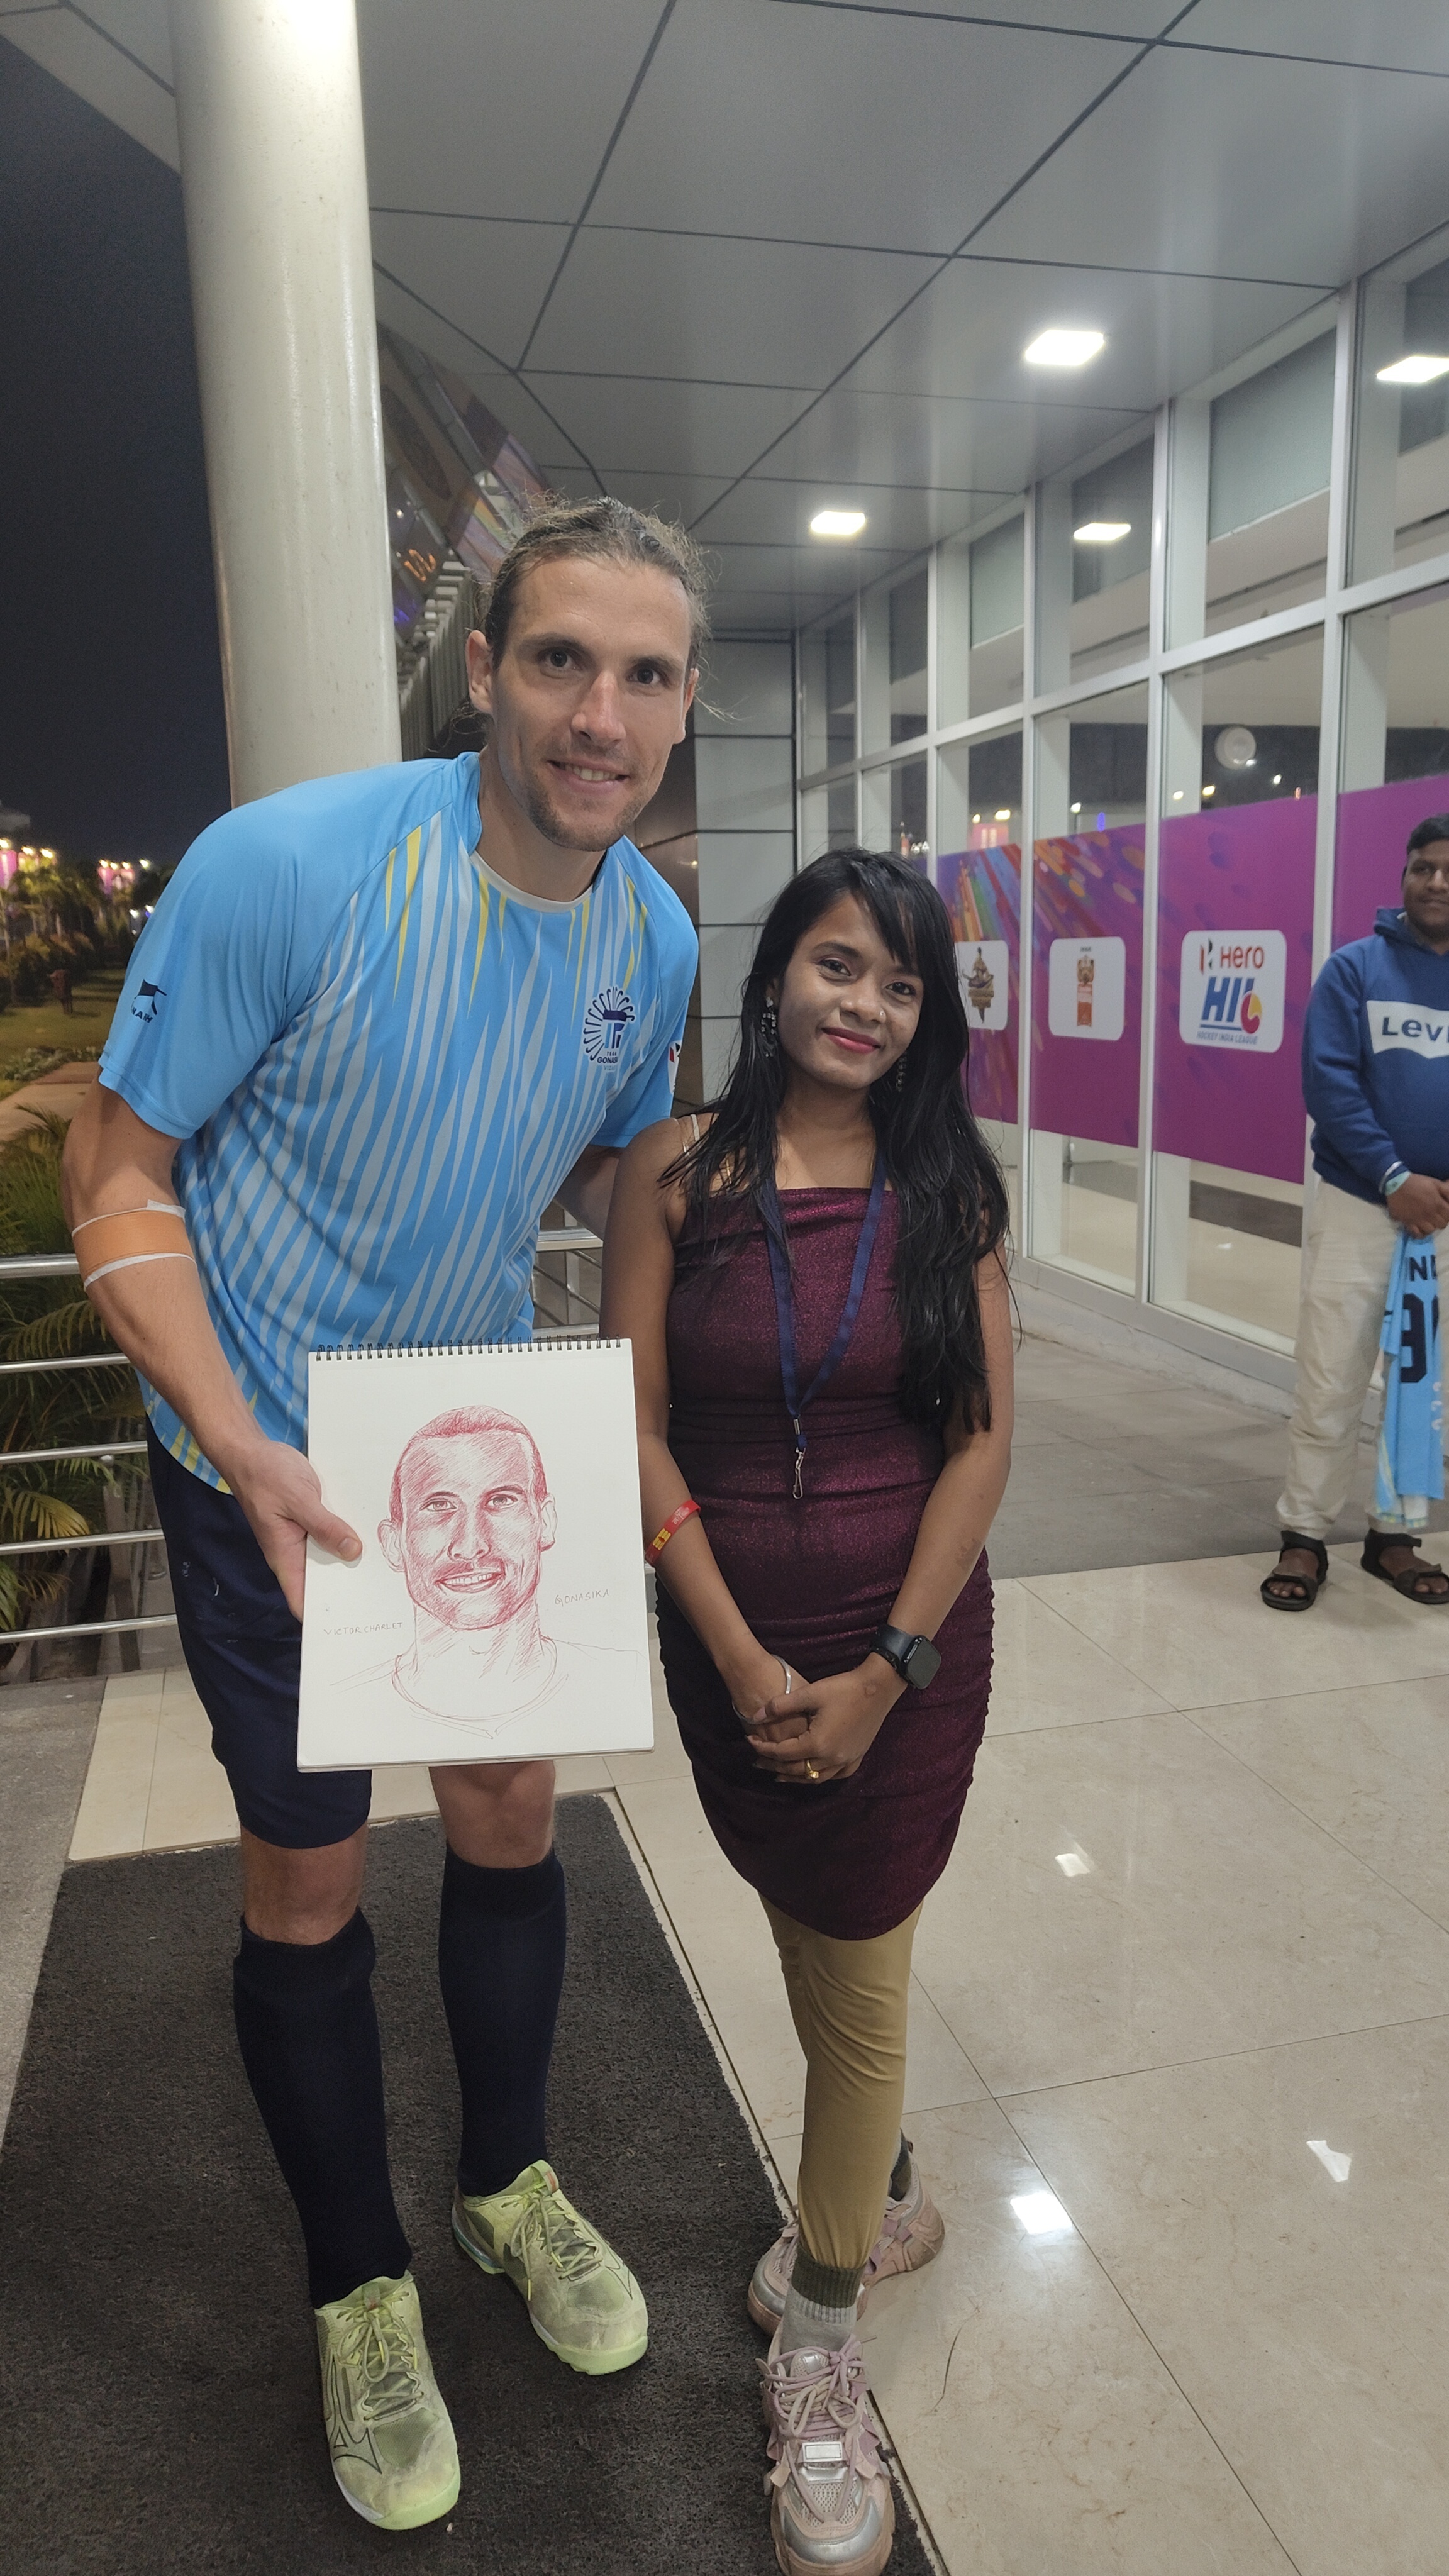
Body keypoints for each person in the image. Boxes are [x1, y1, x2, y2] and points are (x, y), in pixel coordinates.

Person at [60, 497, 704, 2529]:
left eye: (647, 675)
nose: (599, 715)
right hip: (262, 1466)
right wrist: (234, 1432)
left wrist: (722, 1288)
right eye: (561, 660)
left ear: (685, 706)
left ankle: (506, 2180)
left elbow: (615, 1176)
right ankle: (358, 2283)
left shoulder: (656, 940)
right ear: (485, 670)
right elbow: (114, 1177)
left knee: (511, 1814)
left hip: (465, 1447)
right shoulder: (291, 867)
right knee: (310, 1880)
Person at [602, 850, 1012, 2576]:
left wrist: (886, 1671)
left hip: (902, 1659)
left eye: (902, 985)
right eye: (840, 965)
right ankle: (890, 2183)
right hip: (733, 1654)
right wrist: (735, 1652)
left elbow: (981, 1443)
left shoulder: (946, 1186)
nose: (867, 1005)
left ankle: (824, 2346)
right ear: (776, 974)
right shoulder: (673, 1171)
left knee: (856, 1975)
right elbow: (632, 1423)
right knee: (804, 1922)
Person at [1262, 813, 1449, 1610]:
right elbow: (1329, 1083)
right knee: (1332, 1374)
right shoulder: (1355, 969)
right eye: (1424, 866)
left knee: (1424, 1385)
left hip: (1445, 1217)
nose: (1436, 882)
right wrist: (1395, 1177)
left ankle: (1394, 1535)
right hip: (1360, 1203)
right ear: (1404, 875)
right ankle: (1304, 1535)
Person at [345, 1405, 640, 1735]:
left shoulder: (622, 1679)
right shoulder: (348, 1710)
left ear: (545, 1522)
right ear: (393, 1543)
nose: (471, 1546)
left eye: (501, 1501)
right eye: (439, 1506)